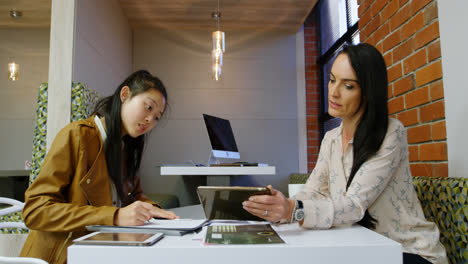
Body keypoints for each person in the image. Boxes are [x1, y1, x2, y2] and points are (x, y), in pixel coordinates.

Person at [243, 43, 448, 264]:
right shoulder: (330, 139)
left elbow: (354, 206)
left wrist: (293, 211)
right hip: (360, 248)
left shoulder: (391, 132)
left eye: (348, 86)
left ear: (368, 92)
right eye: (332, 80)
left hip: (407, 251)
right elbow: (312, 191)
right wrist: (281, 207)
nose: (334, 92)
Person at [20, 70, 178, 264]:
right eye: (148, 107)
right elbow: (35, 210)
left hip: (101, 252)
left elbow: (135, 195)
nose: (149, 120)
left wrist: (153, 210)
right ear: (125, 94)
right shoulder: (77, 136)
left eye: (156, 118)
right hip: (61, 257)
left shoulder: (125, 148)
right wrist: (114, 216)